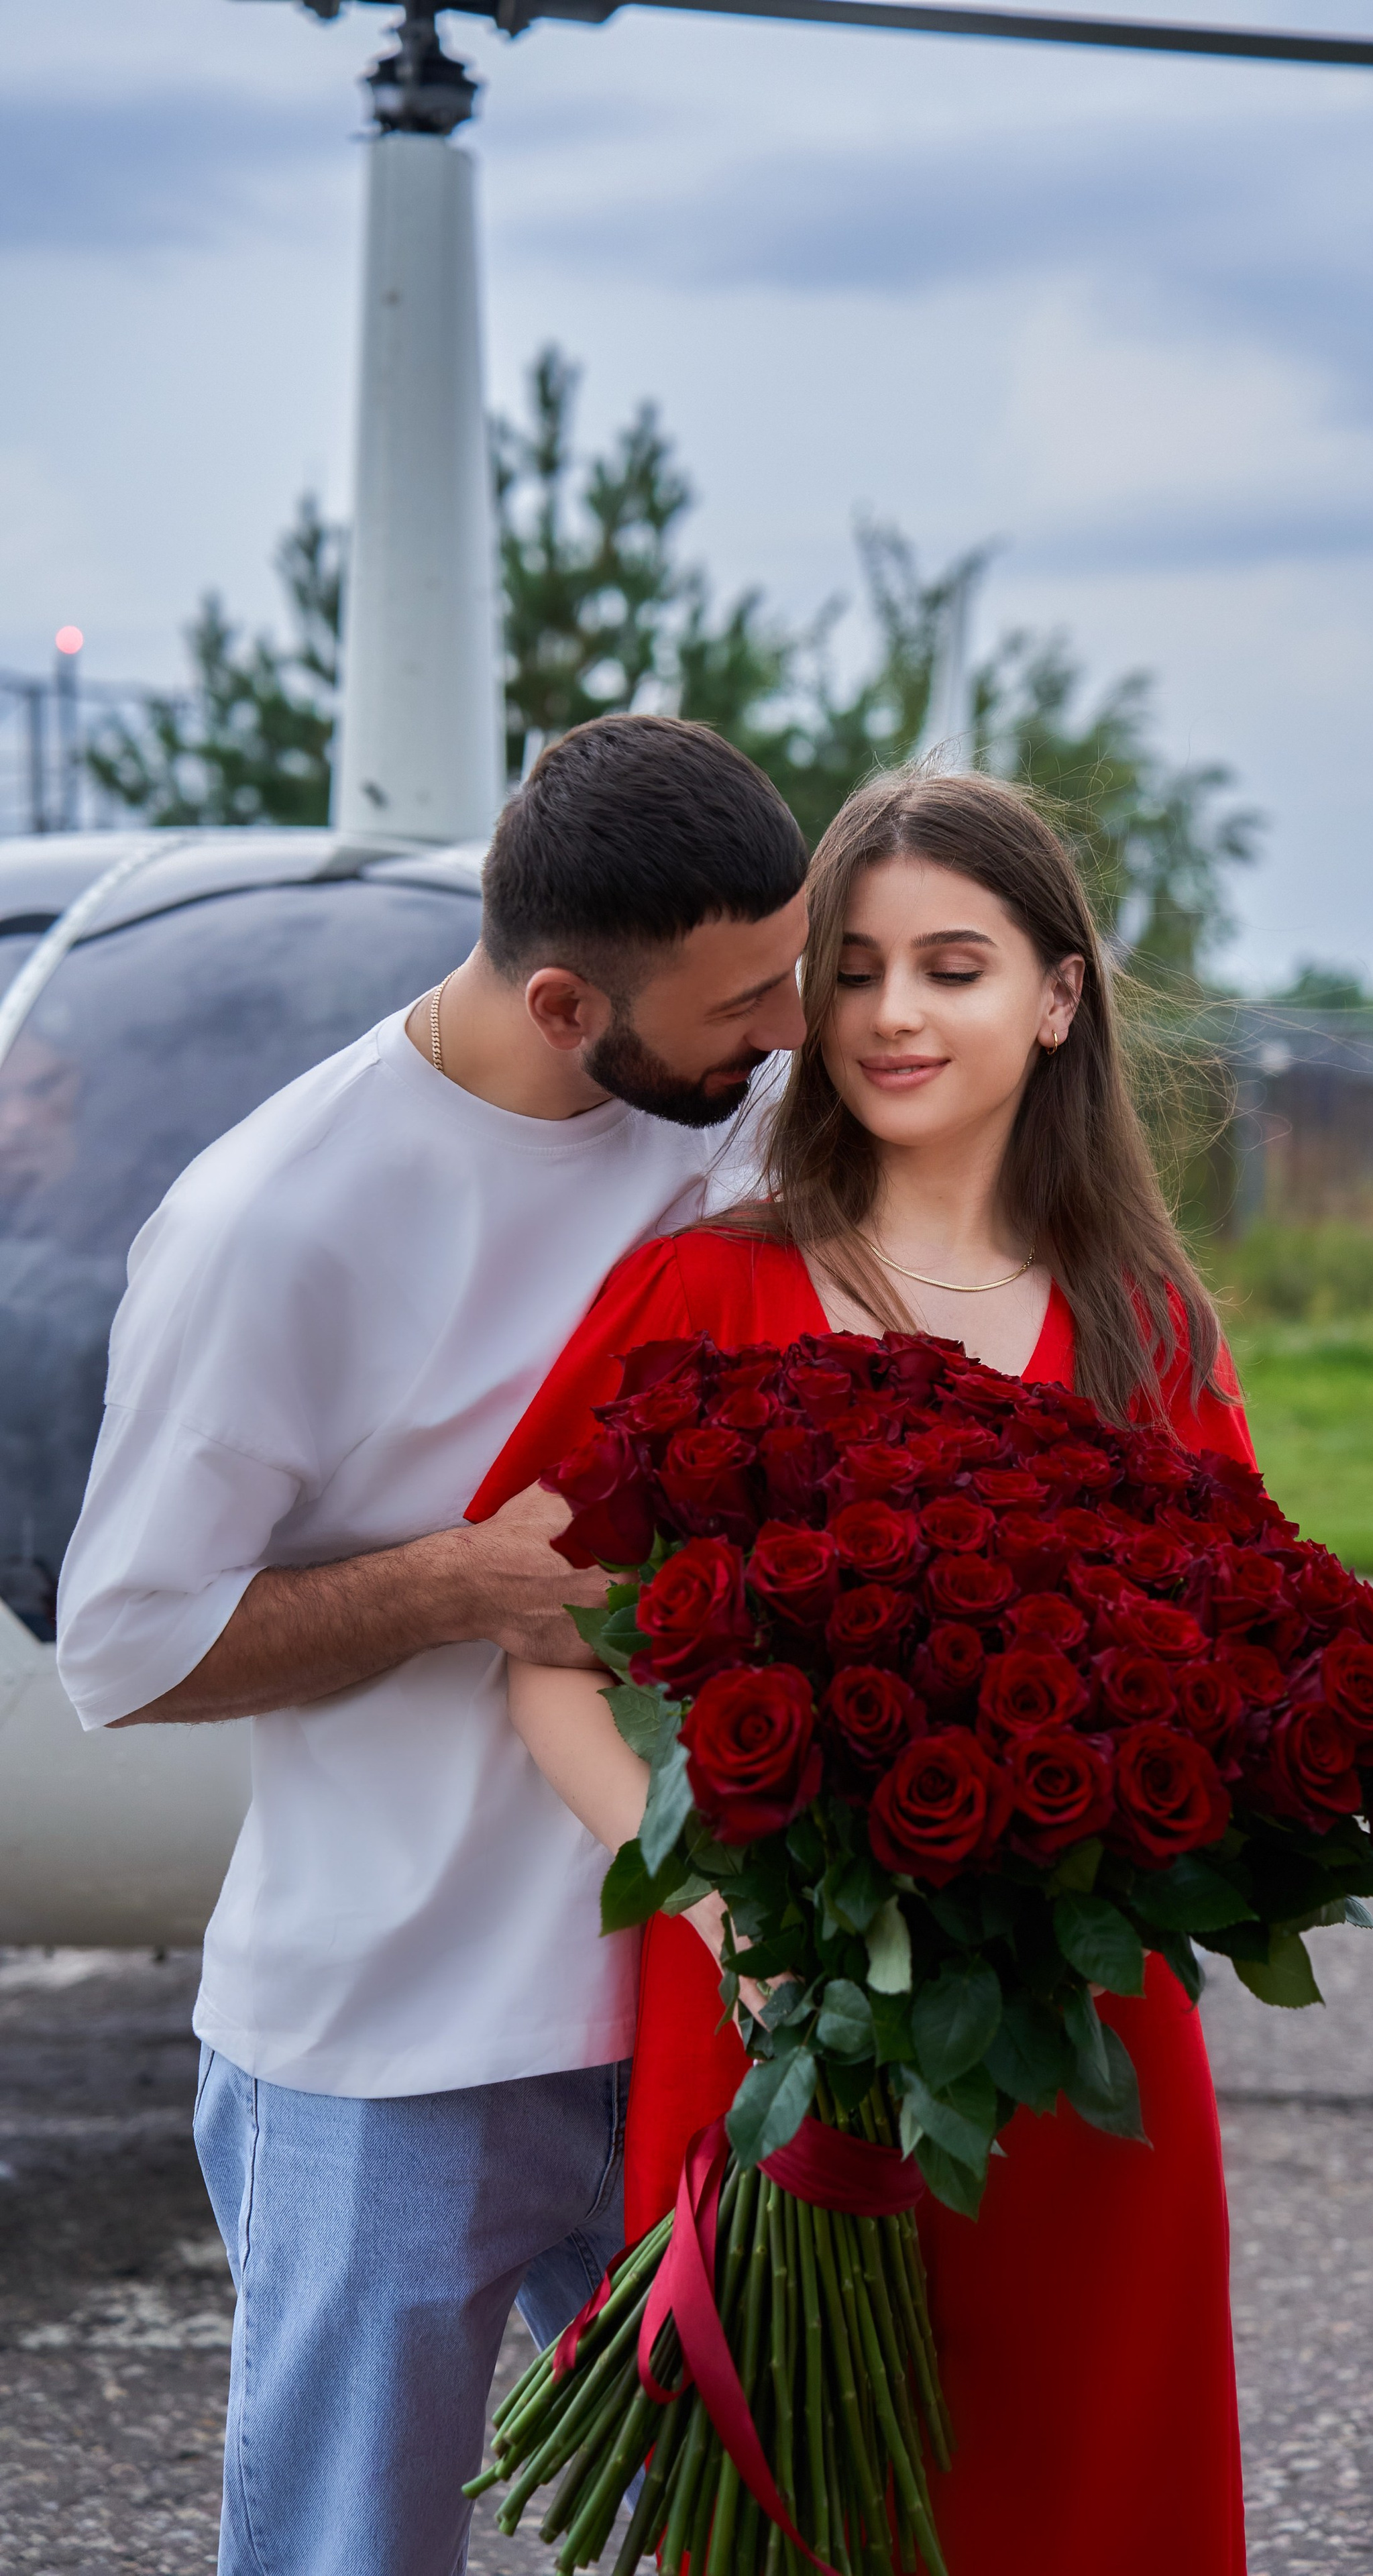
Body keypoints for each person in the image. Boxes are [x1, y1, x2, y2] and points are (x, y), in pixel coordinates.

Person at [469, 767, 1252, 2573]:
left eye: (954, 969)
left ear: (1058, 999)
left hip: (1070, 2049)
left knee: (1083, 2507)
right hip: (764, 2017)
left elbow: (1232, 1680)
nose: (895, 1013)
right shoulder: (703, 1293)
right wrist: (720, 1916)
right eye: (854, 971)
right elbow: (540, 1657)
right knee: (797, 2514)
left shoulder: (1147, 1325)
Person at [53, 713, 810, 2576]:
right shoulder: (270, 1225)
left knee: (766, 2535)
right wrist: (455, 1584)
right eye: (745, 1003)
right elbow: (124, 1650)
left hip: (692, 2003)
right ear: (564, 1006)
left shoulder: (737, 1107)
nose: (791, 1030)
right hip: (388, 2042)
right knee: (350, 2551)